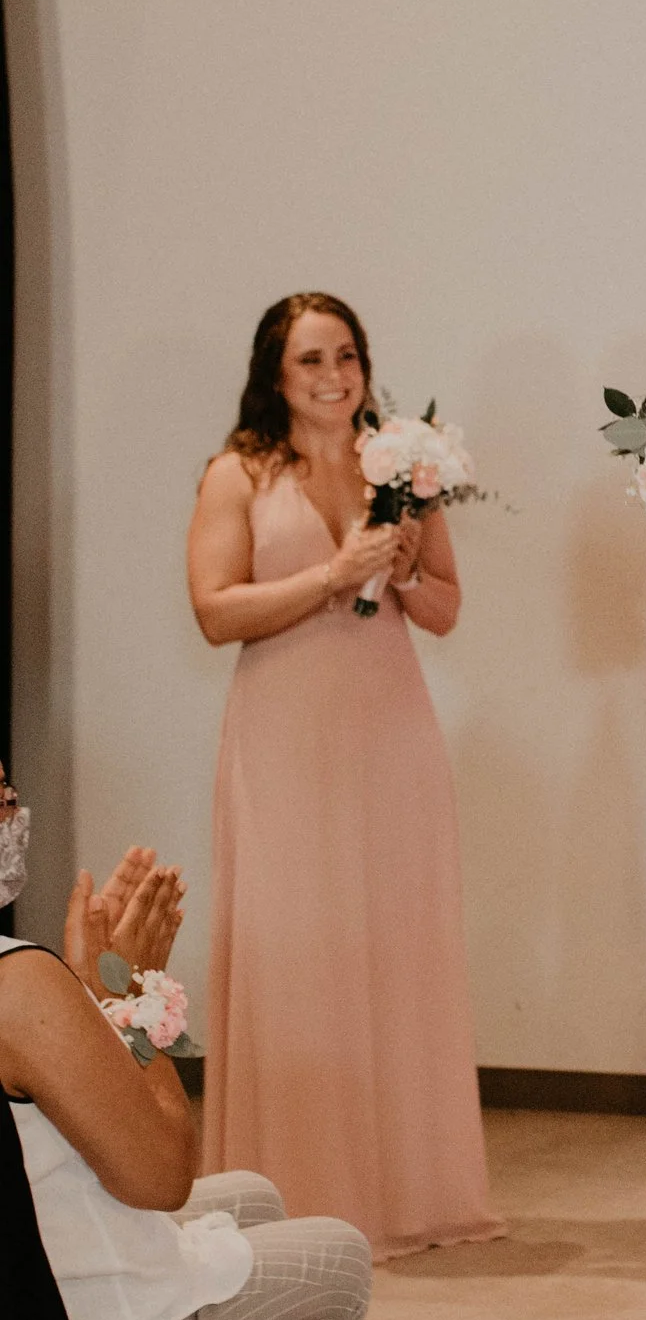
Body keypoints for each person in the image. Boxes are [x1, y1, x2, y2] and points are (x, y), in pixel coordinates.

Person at [6, 792, 371, 1320]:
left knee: (251, 1198)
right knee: (342, 1256)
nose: (15, 816)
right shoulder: (17, 982)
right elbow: (162, 1175)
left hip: (33, 1273)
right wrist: (128, 994)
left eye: (12, 795)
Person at [188, 292, 497, 1261]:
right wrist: (331, 575)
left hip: (388, 730)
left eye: (348, 357)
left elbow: (444, 609)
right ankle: (301, 1197)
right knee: (298, 946)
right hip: (284, 734)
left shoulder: (401, 466)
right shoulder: (238, 473)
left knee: (392, 940)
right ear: (275, 376)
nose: (335, 377)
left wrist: (402, 567)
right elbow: (214, 611)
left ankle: (408, 1193)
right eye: (312, 361)